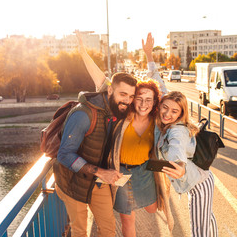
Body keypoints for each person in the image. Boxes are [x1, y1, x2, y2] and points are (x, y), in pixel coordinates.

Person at [77, 31, 171, 237]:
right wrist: (83, 52)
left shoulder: (156, 119)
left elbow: (159, 83)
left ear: (155, 101)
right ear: (133, 98)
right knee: (127, 222)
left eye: (149, 99)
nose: (144, 103)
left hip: (146, 171)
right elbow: (103, 82)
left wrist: (149, 56)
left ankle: (147, 199)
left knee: (153, 209)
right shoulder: (123, 114)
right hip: (122, 173)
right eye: (139, 98)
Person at [54, 61, 137, 236]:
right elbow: (64, 154)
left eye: (131, 96)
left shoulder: (115, 111)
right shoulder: (83, 114)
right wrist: (101, 172)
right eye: (123, 94)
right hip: (72, 181)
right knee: (80, 231)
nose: (127, 101)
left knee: (108, 230)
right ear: (109, 90)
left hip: (96, 181)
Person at [154, 90, 218, 237]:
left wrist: (179, 165)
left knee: (199, 231)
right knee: (207, 218)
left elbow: (177, 147)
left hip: (199, 185)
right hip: (203, 178)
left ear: (180, 114)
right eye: (165, 107)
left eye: (174, 111)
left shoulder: (177, 130)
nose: (167, 114)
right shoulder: (166, 126)